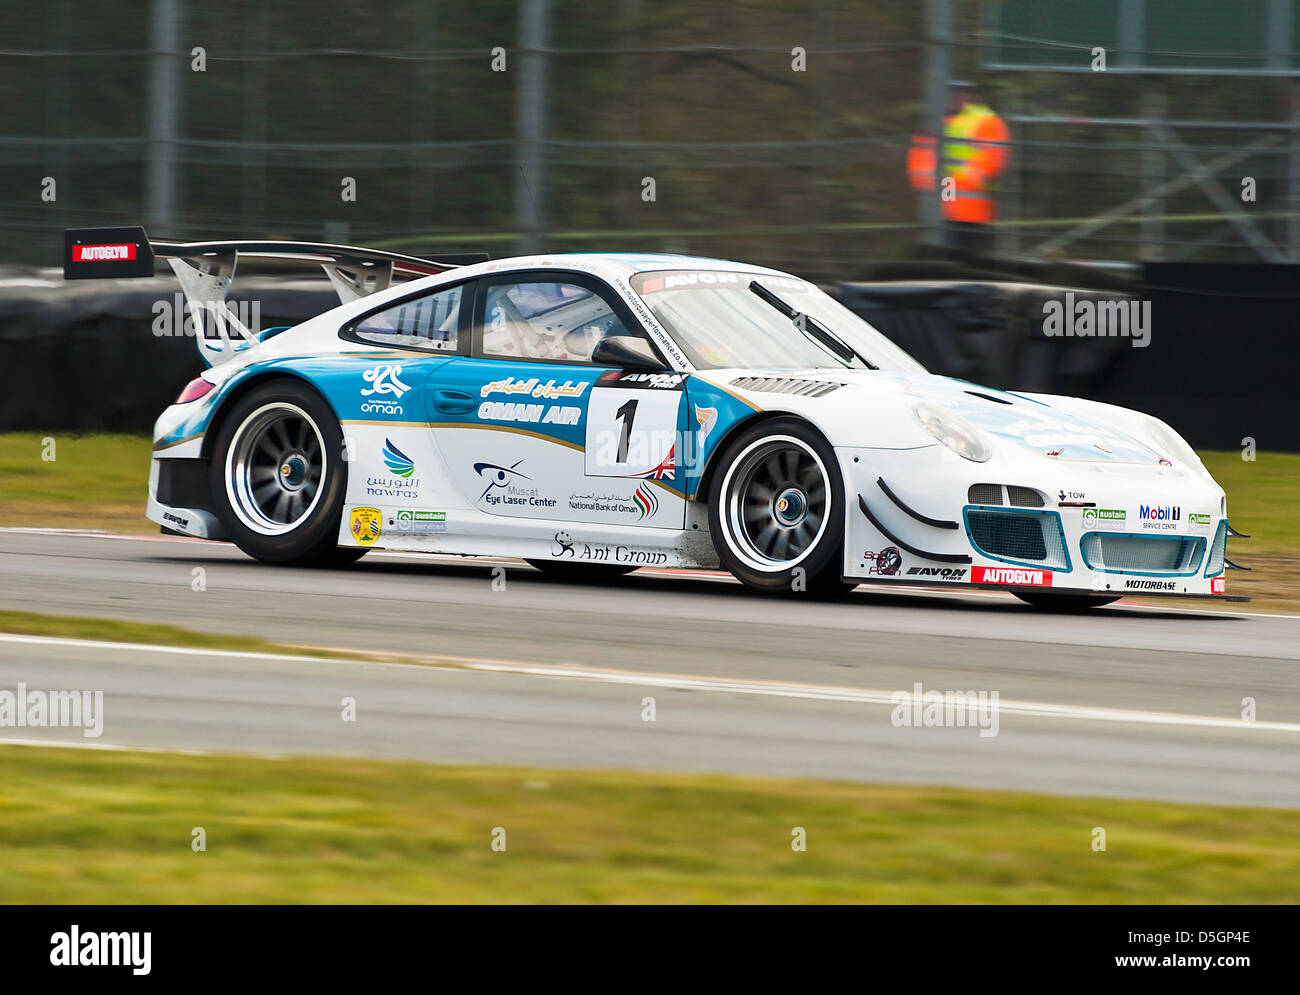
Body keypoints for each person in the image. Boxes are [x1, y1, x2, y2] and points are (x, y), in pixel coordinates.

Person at [908, 81, 1010, 254]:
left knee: (963, 257)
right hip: (940, 208)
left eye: (961, 93)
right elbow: (920, 165)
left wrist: (953, 180)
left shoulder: (985, 121)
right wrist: (939, 185)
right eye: (951, 92)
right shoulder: (932, 124)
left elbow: (992, 160)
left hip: (971, 211)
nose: (955, 98)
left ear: (970, 96)